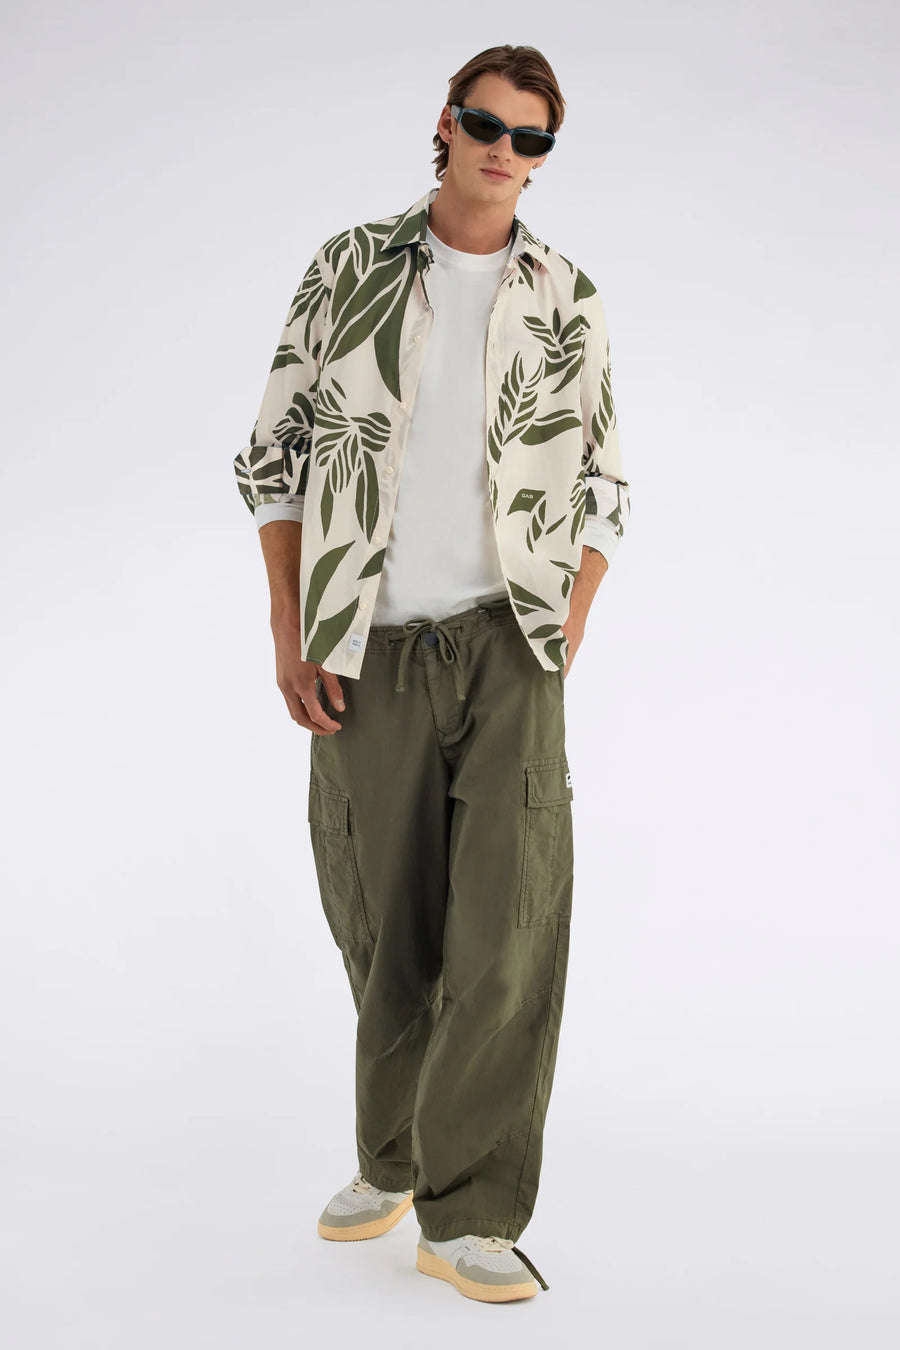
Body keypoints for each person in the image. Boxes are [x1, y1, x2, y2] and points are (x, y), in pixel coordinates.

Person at [233, 42, 631, 1304]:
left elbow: (605, 485)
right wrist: (292, 627)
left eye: (532, 138)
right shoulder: (348, 268)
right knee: (380, 915)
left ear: (544, 157)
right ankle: (397, 1152)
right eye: (487, 124)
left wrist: (568, 618)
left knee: (507, 933)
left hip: (511, 645)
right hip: (367, 645)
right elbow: (274, 459)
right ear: (447, 125)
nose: (505, 151)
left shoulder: (567, 296)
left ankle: (471, 1214)